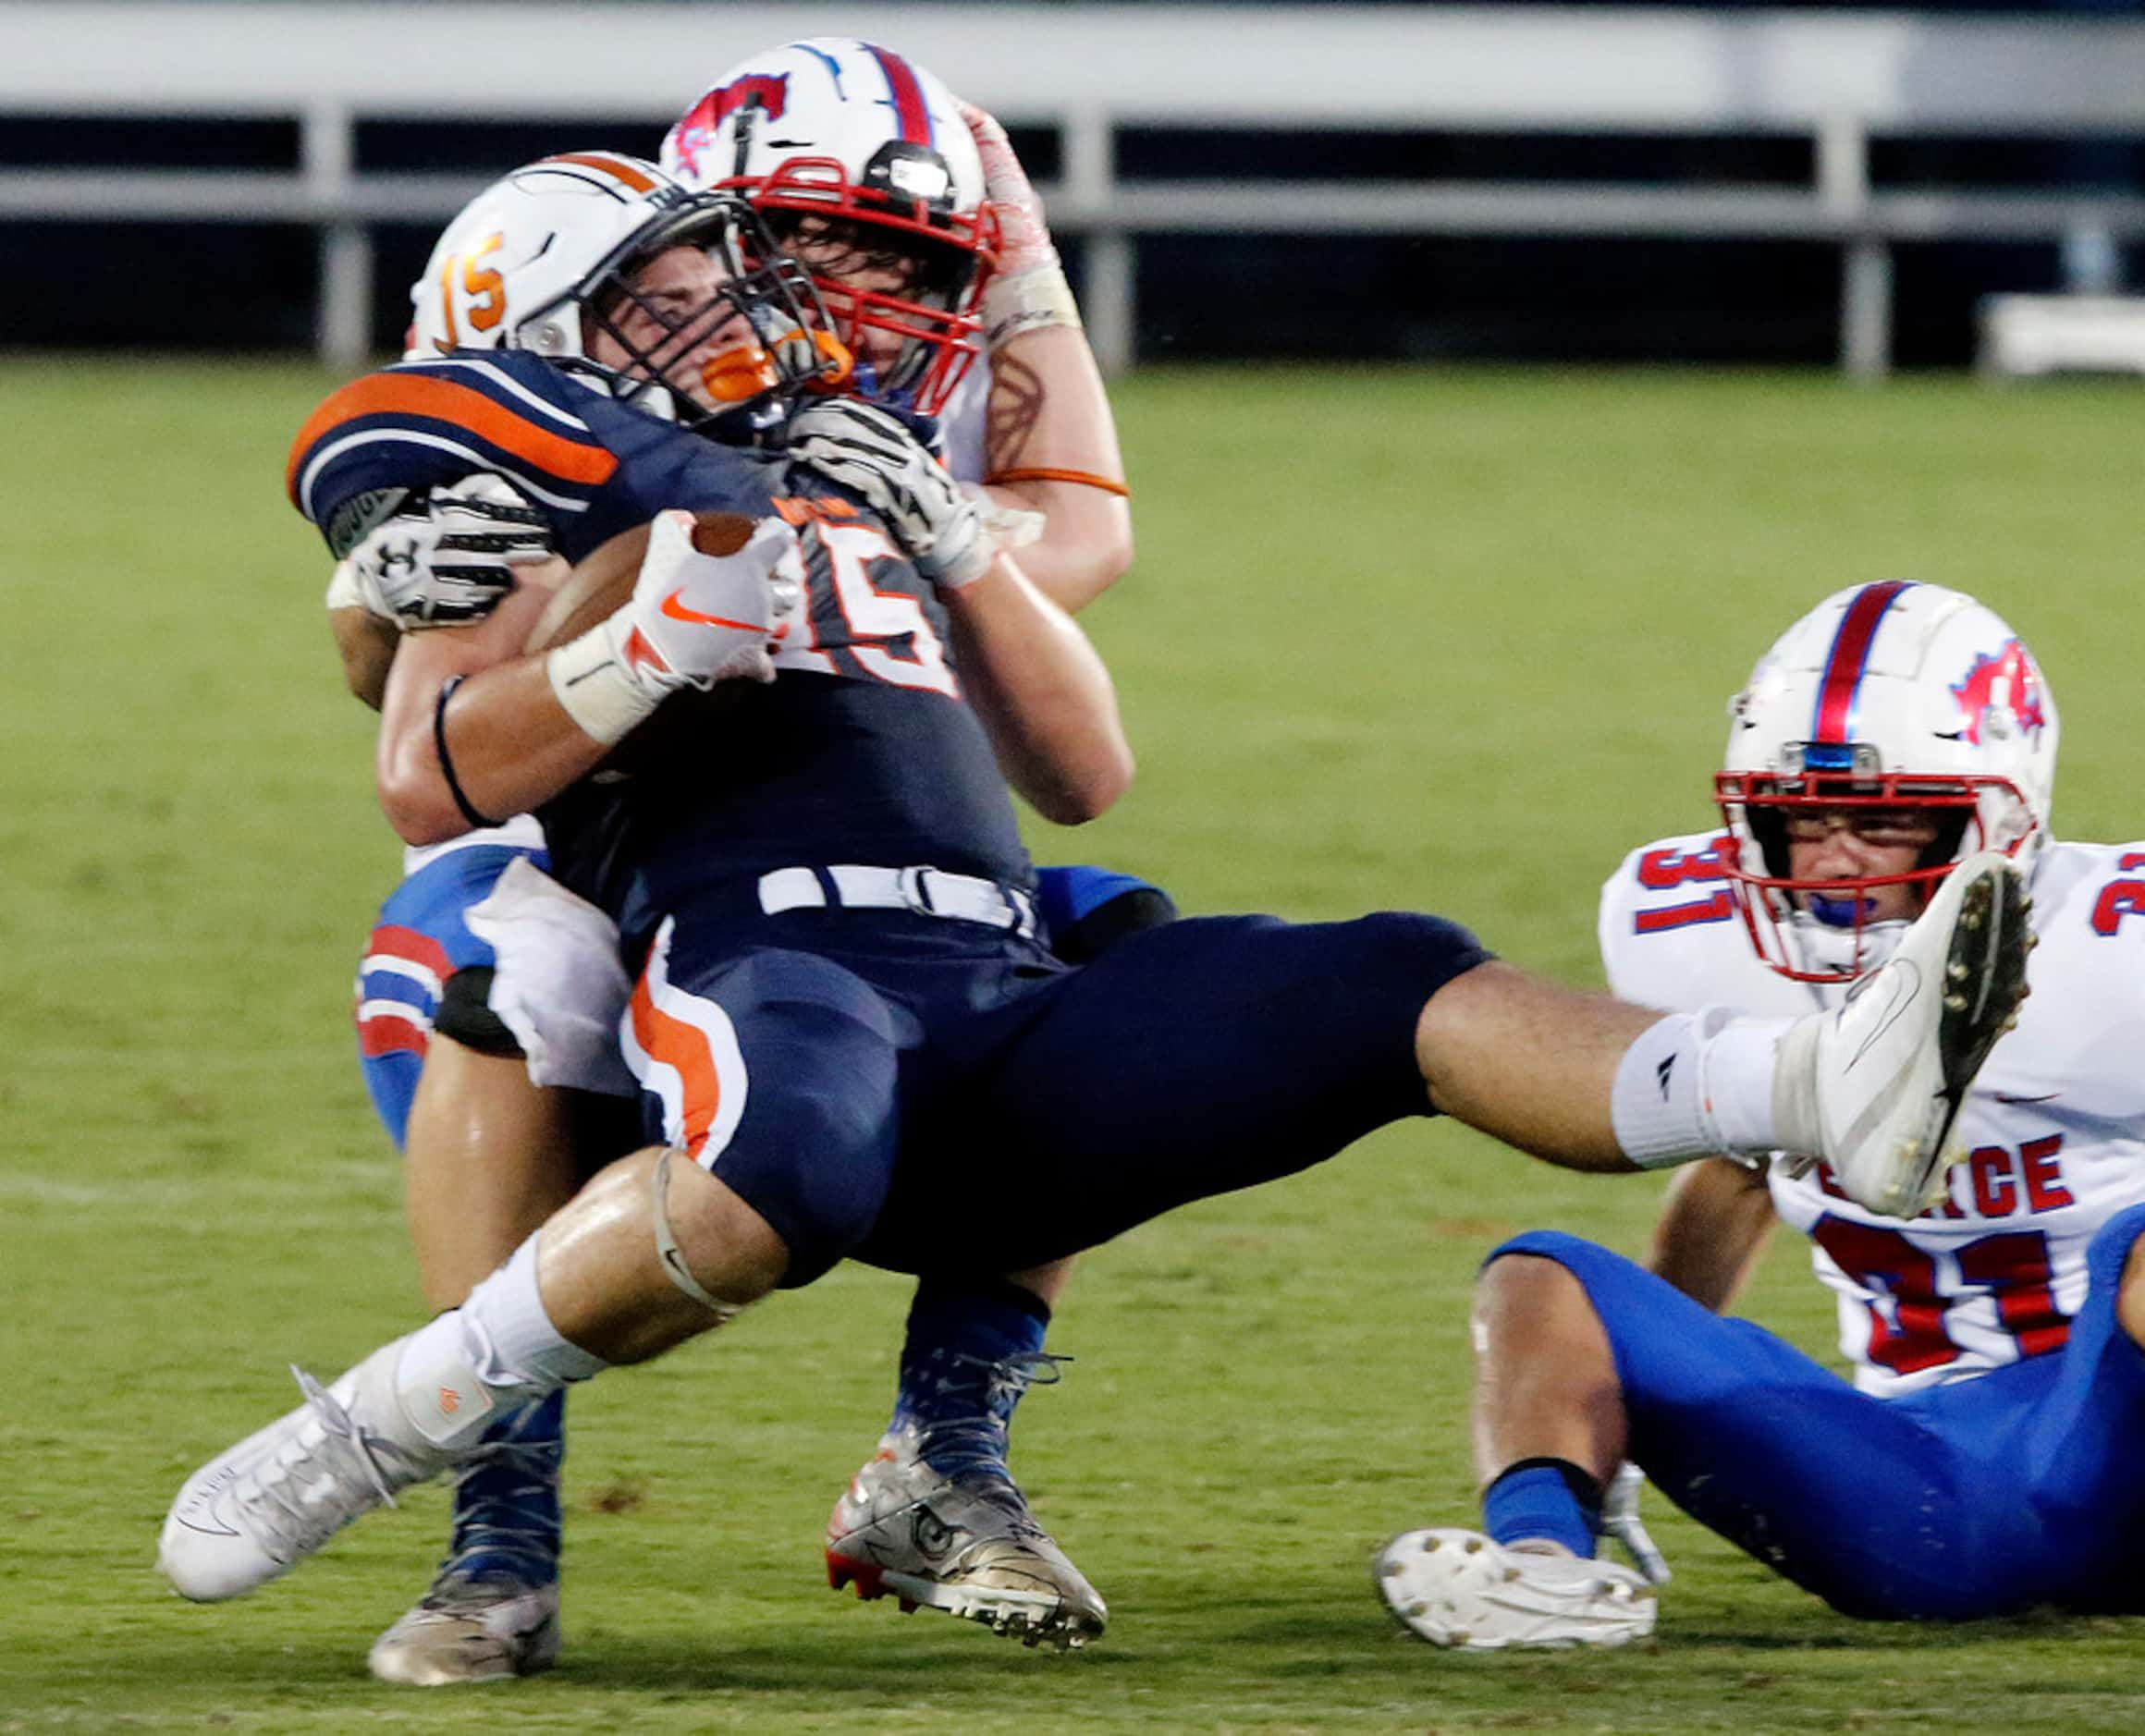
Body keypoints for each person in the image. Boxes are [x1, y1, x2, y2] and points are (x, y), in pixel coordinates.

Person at [164, 248, 2028, 1654]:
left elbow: (1080, 769)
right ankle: (407, 1448)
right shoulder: (529, 513)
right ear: (548, 333)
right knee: (765, 1144)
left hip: (989, 976)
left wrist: (948, 533)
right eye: (660, 289)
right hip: (747, 967)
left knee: (1377, 974)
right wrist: (626, 606)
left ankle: (1811, 1083)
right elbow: (423, 729)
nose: (728, 308)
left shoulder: (835, 458)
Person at [335, 37, 1152, 1683]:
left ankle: (948, 1448)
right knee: (489, 962)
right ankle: (498, 1524)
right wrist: (375, 587)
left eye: (918, 258)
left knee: (1091, 964)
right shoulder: (562, 351)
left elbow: (1080, 533)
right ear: (699, 239)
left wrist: (1023, 261)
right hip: (605, 860)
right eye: (828, 242)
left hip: (843, 884)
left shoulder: (902, 430)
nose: (874, 291)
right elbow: (412, 682)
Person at [1372, 581, 2145, 1652]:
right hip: (1927, 1494)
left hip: (2118, 1423)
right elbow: (1737, 1174)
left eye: (1884, 824)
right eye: (1799, 822)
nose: (1832, 863)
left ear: (2006, 813)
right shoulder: (1684, 932)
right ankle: (1543, 1571)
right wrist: (1627, 1404)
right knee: (1540, 1273)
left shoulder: (2118, 945)